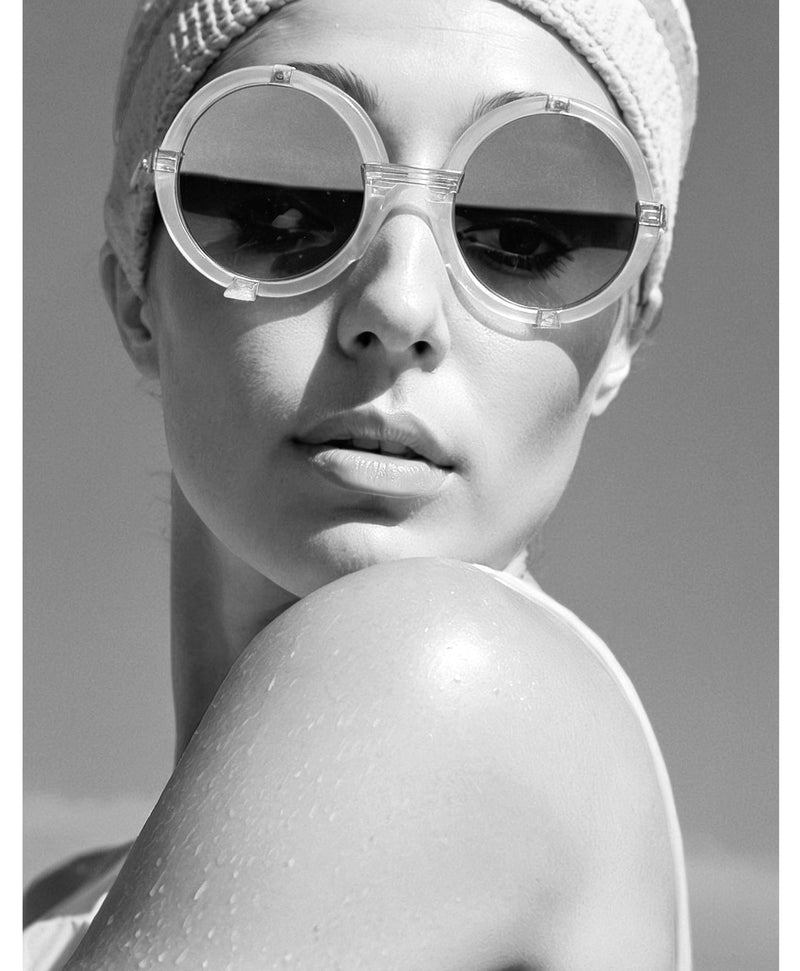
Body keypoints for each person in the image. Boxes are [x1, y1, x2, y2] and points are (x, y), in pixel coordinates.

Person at [24, 0, 699, 967]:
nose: (400, 302)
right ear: (138, 292)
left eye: (523, 236)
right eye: (284, 209)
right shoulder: (72, 894)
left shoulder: (436, 678)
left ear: (624, 338)